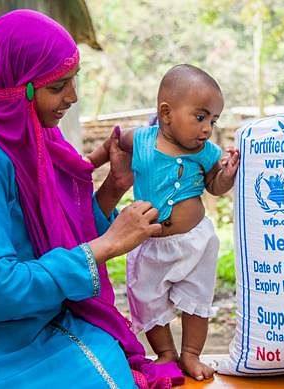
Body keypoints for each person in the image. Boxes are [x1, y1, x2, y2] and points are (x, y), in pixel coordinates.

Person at [0, 9, 184, 389]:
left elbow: (52, 233)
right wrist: (106, 245)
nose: (73, 96)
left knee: (110, 356)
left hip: (30, 322)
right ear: (22, 88)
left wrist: (112, 188)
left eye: (74, 80)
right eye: (57, 86)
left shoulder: (27, 135)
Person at [90, 64, 239, 381]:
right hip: (148, 243)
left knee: (197, 300)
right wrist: (89, 163)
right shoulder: (142, 140)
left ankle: (191, 354)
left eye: (213, 120)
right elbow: (114, 140)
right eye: (200, 117)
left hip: (195, 243)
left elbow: (215, 185)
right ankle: (166, 353)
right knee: (146, 300)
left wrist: (226, 173)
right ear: (167, 113)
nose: (207, 129)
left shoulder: (205, 152)